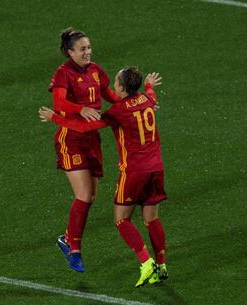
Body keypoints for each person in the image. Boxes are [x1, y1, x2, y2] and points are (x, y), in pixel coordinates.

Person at [39, 67, 168, 287]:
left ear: (121, 87)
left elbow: (83, 127)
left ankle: (146, 264)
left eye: (115, 81)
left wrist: (54, 118)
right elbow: (152, 96)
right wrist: (148, 86)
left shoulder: (117, 111)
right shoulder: (147, 100)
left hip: (134, 171)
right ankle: (162, 266)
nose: (112, 85)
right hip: (157, 168)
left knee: (121, 219)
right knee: (151, 219)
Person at [48, 27, 120, 272]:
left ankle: (67, 239)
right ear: (70, 52)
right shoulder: (63, 73)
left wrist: (131, 103)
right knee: (82, 194)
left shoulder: (96, 70)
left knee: (90, 197)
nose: (87, 52)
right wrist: (81, 109)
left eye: (89, 48)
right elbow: (58, 103)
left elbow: (109, 94)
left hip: (92, 139)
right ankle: (74, 251)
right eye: (82, 49)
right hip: (71, 138)